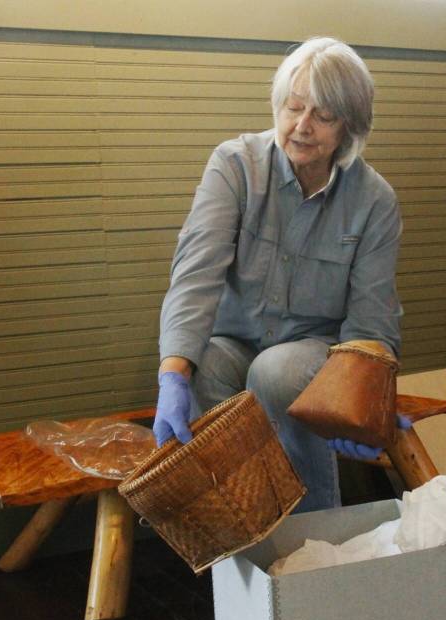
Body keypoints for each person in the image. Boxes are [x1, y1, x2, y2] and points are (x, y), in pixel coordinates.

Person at [153, 37, 403, 512]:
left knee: (275, 370)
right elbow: (195, 273)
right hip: (237, 338)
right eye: (293, 107)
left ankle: (312, 532)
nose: (302, 127)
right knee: (202, 361)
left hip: (313, 350)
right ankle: (241, 527)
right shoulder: (234, 166)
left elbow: (373, 317)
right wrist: (173, 375)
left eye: (323, 116)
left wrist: (364, 390)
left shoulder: (375, 201)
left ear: (350, 125)